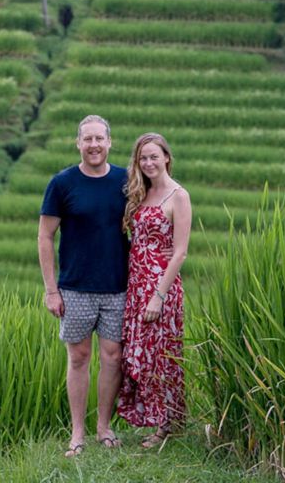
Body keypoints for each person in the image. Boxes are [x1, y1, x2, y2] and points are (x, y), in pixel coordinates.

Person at [38, 115, 130, 457]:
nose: (94, 145)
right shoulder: (62, 183)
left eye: (99, 139)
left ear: (110, 142)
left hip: (117, 287)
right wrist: (51, 289)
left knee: (113, 357)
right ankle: (77, 433)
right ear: (78, 143)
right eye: (87, 139)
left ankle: (104, 428)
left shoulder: (126, 180)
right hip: (75, 287)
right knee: (78, 357)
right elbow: (45, 236)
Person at [117, 132, 191, 449]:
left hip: (160, 289)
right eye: (143, 158)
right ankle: (159, 420)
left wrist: (158, 297)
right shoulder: (140, 193)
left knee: (162, 356)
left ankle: (167, 425)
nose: (148, 162)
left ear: (166, 158)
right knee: (141, 354)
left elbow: (180, 252)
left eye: (153, 156)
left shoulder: (179, 196)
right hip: (136, 286)